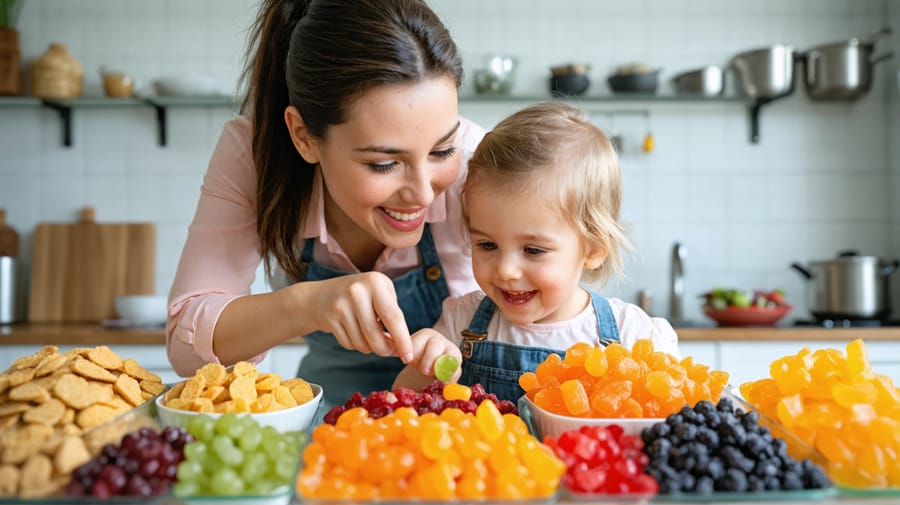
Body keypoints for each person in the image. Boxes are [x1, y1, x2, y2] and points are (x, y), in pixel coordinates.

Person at [166, 0, 486, 408]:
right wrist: (308, 304)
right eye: (384, 163)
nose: (423, 193)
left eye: (442, 151)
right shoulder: (255, 154)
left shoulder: (479, 160)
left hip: (459, 414)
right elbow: (184, 348)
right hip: (333, 412)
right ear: (302, 136)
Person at [394, 102, 679, 402]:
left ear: (593, 248)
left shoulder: (635, 337)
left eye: (533, 250)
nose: (506, 270)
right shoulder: (459, 322)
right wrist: (426, 366)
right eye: (487, 245)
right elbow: (404, 401)